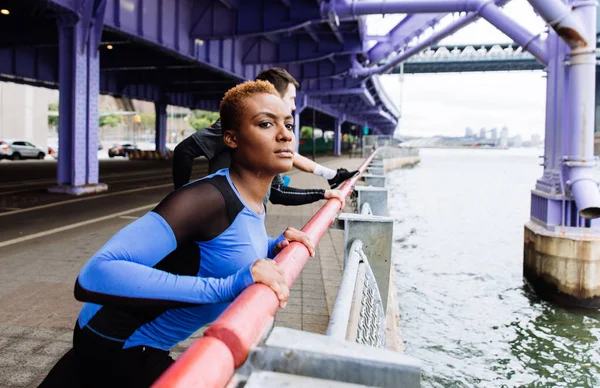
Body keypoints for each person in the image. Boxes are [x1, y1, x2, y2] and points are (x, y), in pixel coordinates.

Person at [39, 80, 317, 387]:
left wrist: (272, 246)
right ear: (231, 138)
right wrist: (225, 287)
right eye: (266, 123)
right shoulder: (205, 199)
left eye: (288, 124)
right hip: (118, 342)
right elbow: (95, 274)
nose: (285, 134)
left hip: (133, 343)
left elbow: (219, 249)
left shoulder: (252, 201)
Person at [172, 68, 359, 204]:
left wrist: (323, 194)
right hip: (221, 225)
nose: (294, 105)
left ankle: (333, 175)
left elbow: (277, 193)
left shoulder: (271, 142)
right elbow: (183, 150)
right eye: (292, 99)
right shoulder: (236, 125)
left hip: (246, 224)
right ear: (274, 95)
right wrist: (182, 199)